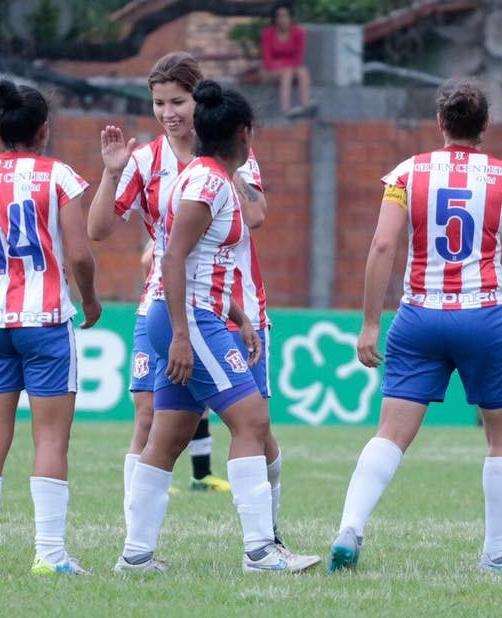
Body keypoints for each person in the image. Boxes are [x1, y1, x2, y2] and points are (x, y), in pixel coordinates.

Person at [328, 79, 502, 574]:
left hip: (418, 317)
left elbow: (383, 247)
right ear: (485, 125)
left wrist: (369, 323)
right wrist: (492, 296)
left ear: (440, 124)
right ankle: (498, 556)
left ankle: (350, 527)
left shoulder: (407, 174)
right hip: (484, 318)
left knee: (391, 434)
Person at [113, 79, 319, 574]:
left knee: (169, 435)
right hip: (187, 320)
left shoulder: (208, 178)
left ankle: (136, 556)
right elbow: (174, 259)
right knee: (251, 423)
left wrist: (240, 317)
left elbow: (204, 265)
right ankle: (260, 552)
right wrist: (183, 334)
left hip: (196, 314)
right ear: (245, 135)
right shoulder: (207, 182)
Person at [0, 79, 101, 577]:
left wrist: (1, 276)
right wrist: (91, 299)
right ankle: (50, 555)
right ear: (43, 130)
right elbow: (79, 252)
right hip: (45, 321)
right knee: (50, 440)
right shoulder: (58, 175)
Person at [88, 52, 232, 499]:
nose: (168, 114)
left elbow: (256, 217)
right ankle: (135, 540)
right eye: (158, 103)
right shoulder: (145, 161)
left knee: (243, 420)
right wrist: (111, 174)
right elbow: (97, 229)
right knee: (147, 413)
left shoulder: (227, 153)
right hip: (159, 303)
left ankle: (262, 537)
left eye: (178, 102)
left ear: (198, 99)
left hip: (217, 300)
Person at [260, 1, 313, 117]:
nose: (282, 19)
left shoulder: (299, 33)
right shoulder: (267, 33)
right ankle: (286, 109)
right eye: (279, 16)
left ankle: (306, 106)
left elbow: (298, 59)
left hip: (290, 69)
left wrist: (281, 63)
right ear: (274, 18)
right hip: (270, 72)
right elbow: (267, 61)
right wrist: (285, 65)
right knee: (287, 72)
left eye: (285, 16)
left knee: (303, 71)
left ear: (290, 17)